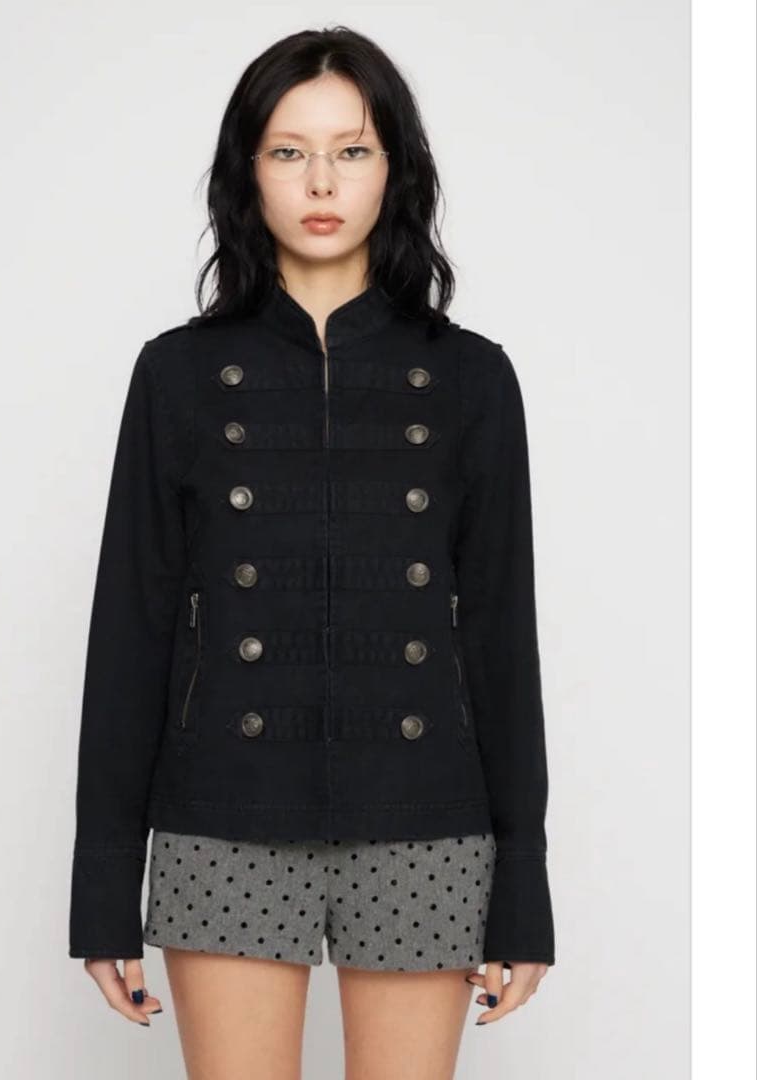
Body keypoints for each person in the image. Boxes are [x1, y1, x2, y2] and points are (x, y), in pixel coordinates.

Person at [69, 24, 555, 1079]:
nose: (321, 181)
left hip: (424, 818)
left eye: (353, 149)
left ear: (396, 169)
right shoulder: (177, 375)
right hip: (224, 814)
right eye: (289, 151)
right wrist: (102, 888)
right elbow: (131, 634)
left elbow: (499, 639)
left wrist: (523, 886)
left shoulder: (471, 379)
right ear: (247, 171)